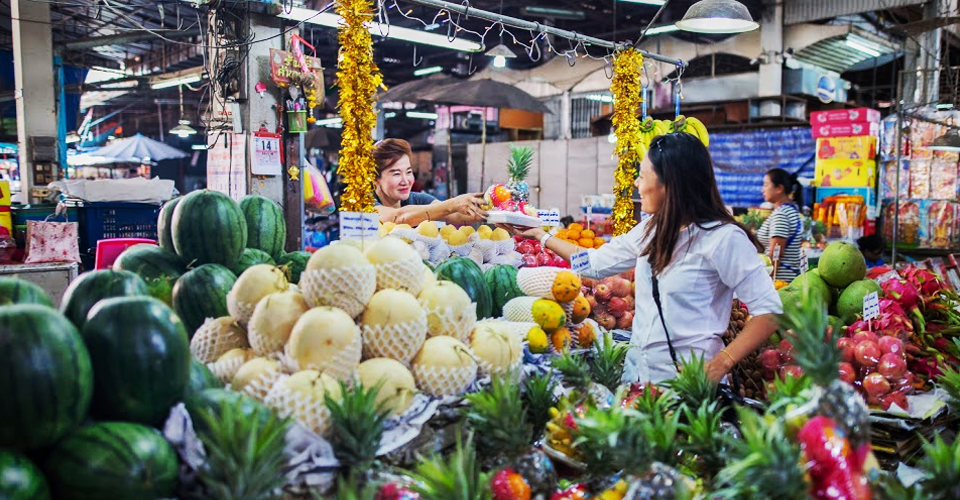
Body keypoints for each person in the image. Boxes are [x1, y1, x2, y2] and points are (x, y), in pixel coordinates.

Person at [499, 133, 782, 384]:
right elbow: (594, 264)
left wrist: (722, 362)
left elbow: (769, 312)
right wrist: (542, 236)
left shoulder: (724, 239)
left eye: (643, 175)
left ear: (668, 183)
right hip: (639, 377)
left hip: (689, 382)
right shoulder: (651, 230)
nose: (636, 183)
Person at [372, 139, 487, 225]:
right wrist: (452, 204)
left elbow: (455, 215)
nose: (405, 181)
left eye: (408, 172)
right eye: (396, 174)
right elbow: (398, 217)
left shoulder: (418, 199)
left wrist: (495, 215)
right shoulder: (366, 204)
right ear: (376, 179)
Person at [756, 168, 804, 282]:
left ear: (779, 189)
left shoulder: (781, 214)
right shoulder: (790, 210)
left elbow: (776, 254)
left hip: (779, 283)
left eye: (766, 185)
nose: (762, 189)